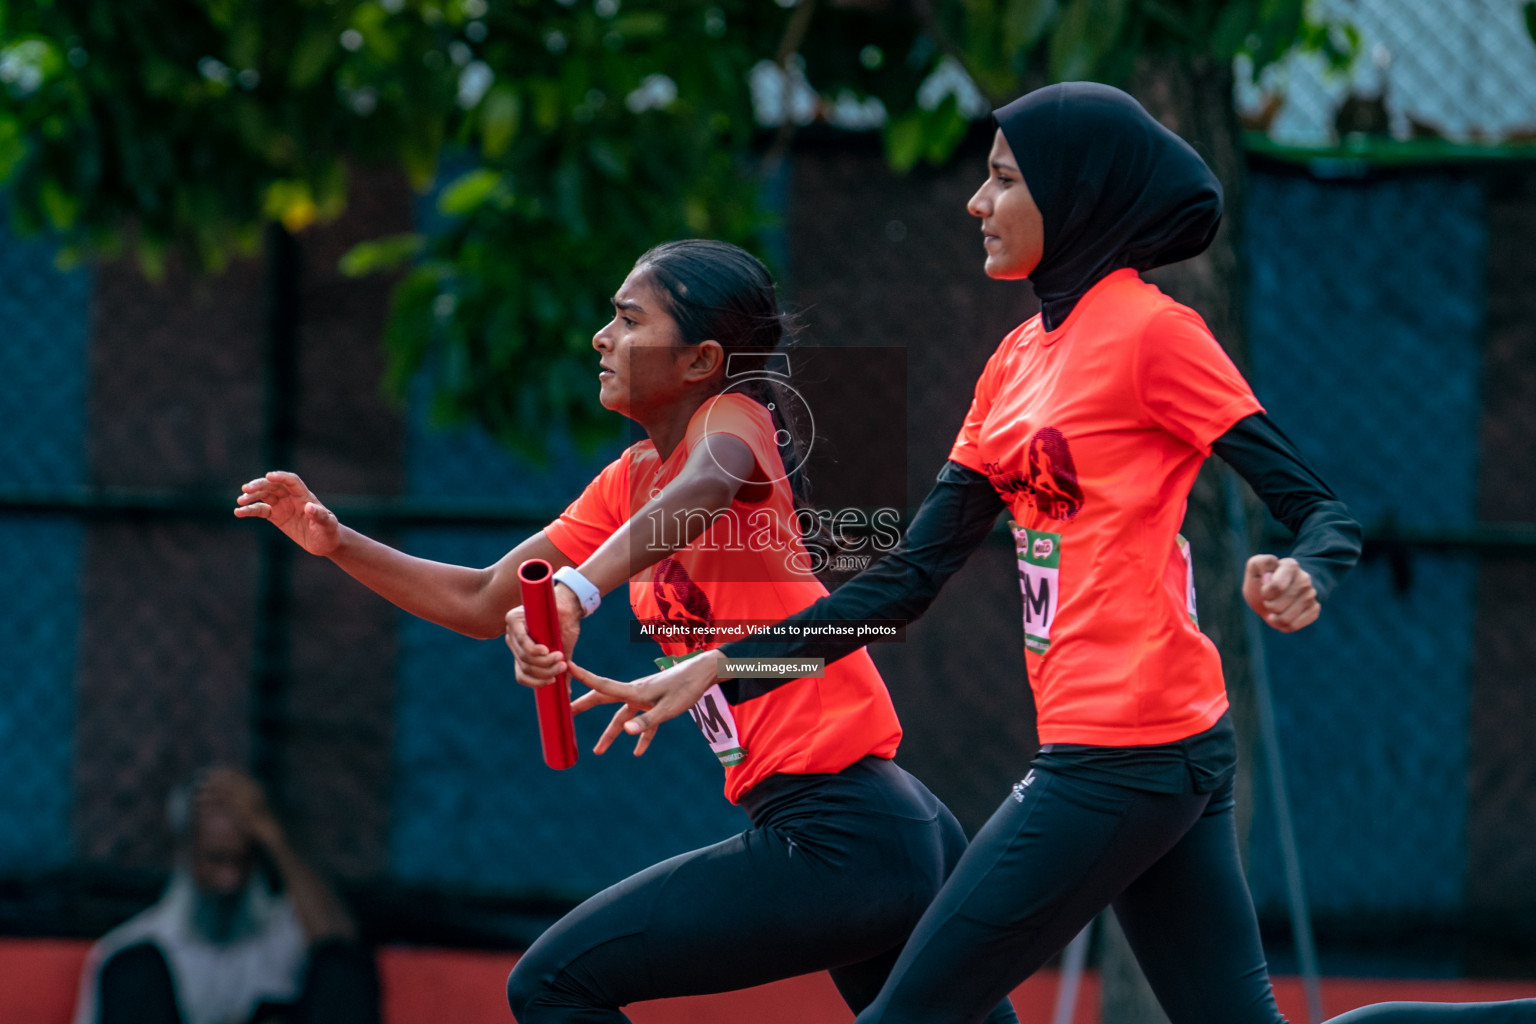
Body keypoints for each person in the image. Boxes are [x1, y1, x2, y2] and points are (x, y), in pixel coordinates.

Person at [559, 85, 1536, 1024]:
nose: (978, 202)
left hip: (1127, 746)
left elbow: (1319, 509)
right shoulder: (1014, 360)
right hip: (1148, 751)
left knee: (909, 1012)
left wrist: (1304, 570)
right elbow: (906, 582)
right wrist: (724, 664)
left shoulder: (1156, 332)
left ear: (1074, 192)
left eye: (1005, 179)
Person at [236, 239, 1017, 1024]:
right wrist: (337, 544)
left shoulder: (734, 420)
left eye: (627, 319)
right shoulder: (632, 479)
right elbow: (479, 601)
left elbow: (705, 488)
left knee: (551, 985)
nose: (600, 338)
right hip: (872, 830)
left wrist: (578, 589)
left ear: (700, 359)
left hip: (845, 833)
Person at [73, 768, 378, 1024]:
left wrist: (273, 835)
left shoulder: (288, 933)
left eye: (242, 861)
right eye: (215, 860)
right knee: (133, 972)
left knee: (340, 968)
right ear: (185, 853)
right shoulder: (128, 948)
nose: (230, 880)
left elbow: (343, 949)